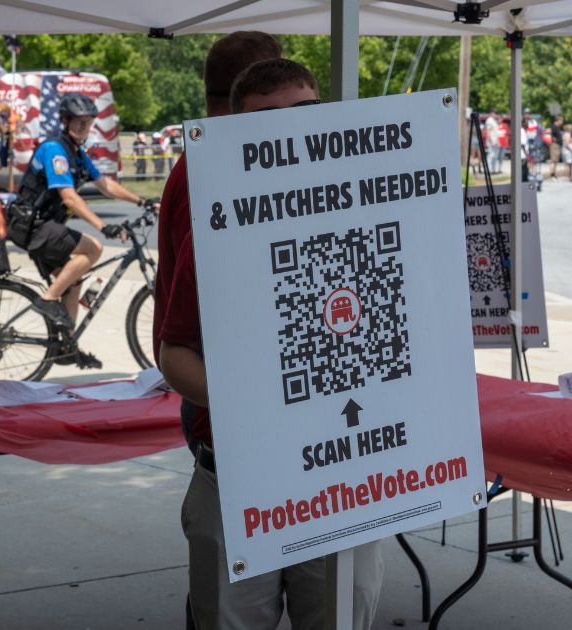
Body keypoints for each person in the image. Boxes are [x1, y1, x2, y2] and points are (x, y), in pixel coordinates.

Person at [155, 38, 383, 630]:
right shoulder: (212, 223)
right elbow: (174, 352)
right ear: (233, 128)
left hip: (346, 475)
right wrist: (250, 404)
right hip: (238, 474)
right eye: (266, 121)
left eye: (305, 116)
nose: (290, 135)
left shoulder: (370, 220)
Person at [5, 92, 156, 367]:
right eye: (78, 123)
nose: (83, 128)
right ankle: (48, 299)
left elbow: (105, 185)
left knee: (73, 280)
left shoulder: (77, 154)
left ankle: (67, 347)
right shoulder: (55, 150)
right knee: (93, 247)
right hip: (32, 226)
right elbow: (68, 197)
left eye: (87, 123)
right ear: (65, 121)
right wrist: (102, 227)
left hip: (44, 227)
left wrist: (143, 200)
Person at [548, 114, 564, 181]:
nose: (562, 122)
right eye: (561, 120)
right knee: (553, 161)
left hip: (558, 145)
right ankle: (552, 175)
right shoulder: (554, 127)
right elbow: (550, 134)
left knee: (556, 161)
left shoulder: (558, 127)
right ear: (558, 120)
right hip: (555, 145)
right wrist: (555, 140)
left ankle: (554, 174)